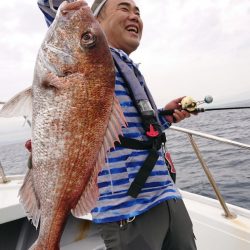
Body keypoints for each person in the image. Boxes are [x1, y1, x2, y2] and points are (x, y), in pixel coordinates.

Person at [37, 0, 197, 249]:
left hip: (166, 196)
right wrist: (66, 10)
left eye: (138, 12)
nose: (134, 16)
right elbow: (60, 16)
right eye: (124, 8)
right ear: (97, 21)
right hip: (126, 210)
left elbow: (137, 130)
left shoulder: (128, 66)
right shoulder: (87, 55)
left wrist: (164, 116)